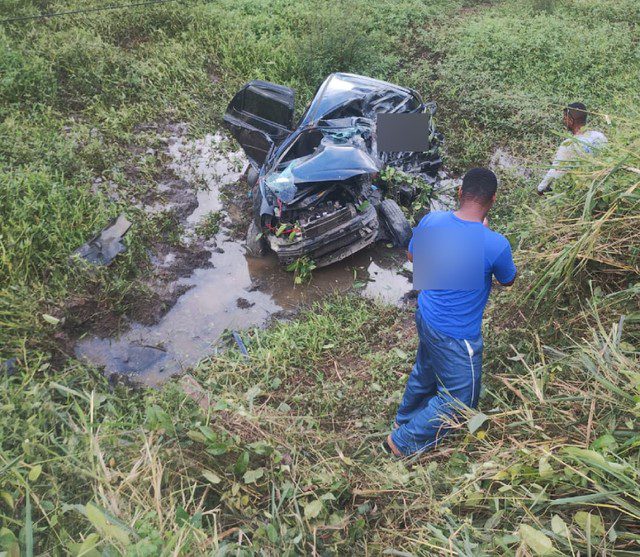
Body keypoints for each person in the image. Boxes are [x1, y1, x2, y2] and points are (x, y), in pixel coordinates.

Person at [384, 168, 516, 457]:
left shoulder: (432, 220)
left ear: (459, 192)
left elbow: (412, 257)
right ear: (492, 200)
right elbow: (507, 280)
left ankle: (404, 417)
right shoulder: (495, 244)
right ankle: (402, 441)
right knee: (461, 399)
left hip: (426, 314)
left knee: (426, 370)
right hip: (456, 334)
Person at [537, 102, 607, 195]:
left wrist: (540, 189)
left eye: (565, 118)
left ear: (570, 120)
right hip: (601, 183)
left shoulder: (569, 144)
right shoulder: (599, 136)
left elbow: (556, 171)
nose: (564, 120)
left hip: (582, 189)